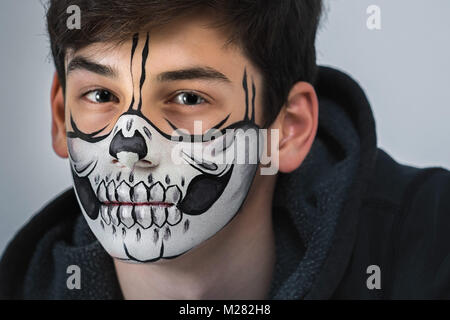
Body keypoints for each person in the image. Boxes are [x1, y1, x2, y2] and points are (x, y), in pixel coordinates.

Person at [1, 0, 449, 300]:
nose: (128, 147)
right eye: (100, 96)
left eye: (189, 98)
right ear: (61, 117)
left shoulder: (431, 242)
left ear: (288, 131)